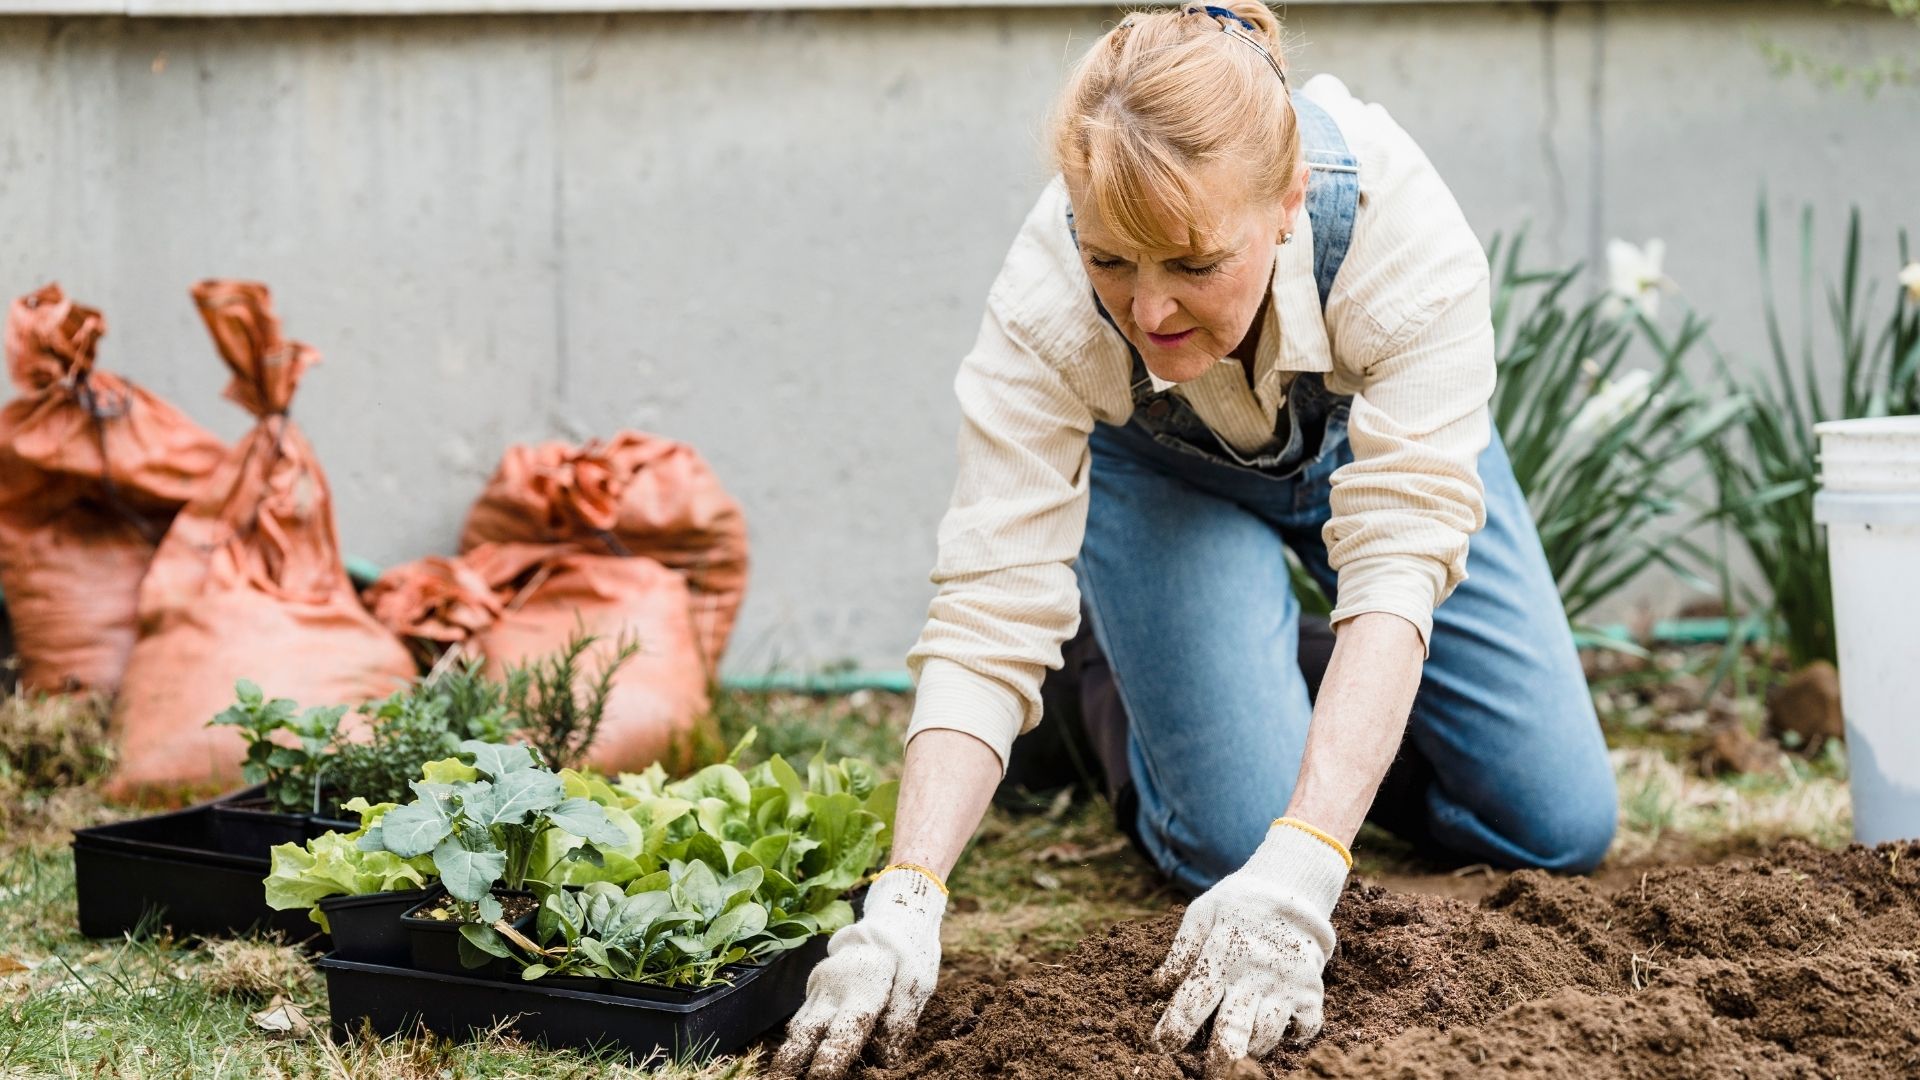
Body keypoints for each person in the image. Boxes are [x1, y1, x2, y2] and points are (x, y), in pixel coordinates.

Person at [771, 4, 1617, 1077]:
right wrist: (905, 901)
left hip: (1374, 453)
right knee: (1231, 844)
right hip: (1161, 477)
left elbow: (1399, 559)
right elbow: (989, 607)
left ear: (1287, 200)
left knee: (1559, 824)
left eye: (1193, 261)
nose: (1150, 311)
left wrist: (1310, 862)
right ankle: (1106, 683)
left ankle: (1212, 668)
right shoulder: (1046, 308)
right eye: (1112, 260)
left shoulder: (1402, 236)